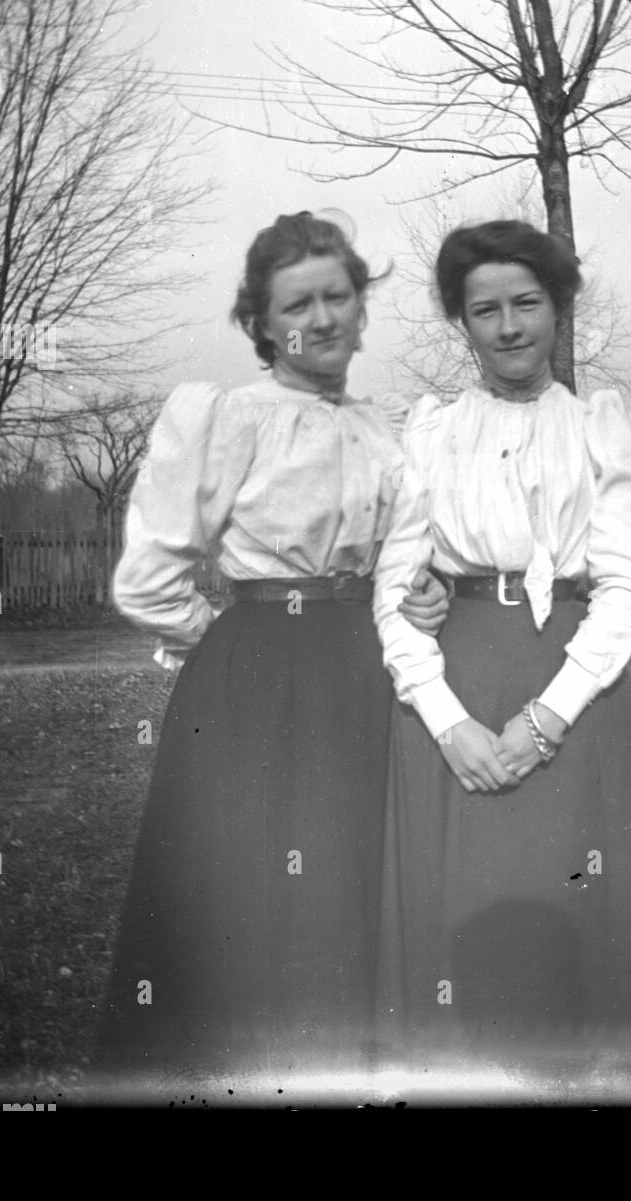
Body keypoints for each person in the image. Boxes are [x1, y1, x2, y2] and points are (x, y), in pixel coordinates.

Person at [92, 211, 446, 1096]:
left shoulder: (385, 431)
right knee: (252, 902)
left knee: (350, 897)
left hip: (362, 678)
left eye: (338, 296)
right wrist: (224, 641)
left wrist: (418, 594)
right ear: (262, 321)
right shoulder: (227, 418)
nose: (322, 319)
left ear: (362, 308)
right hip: (251, 682)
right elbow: (147, 579)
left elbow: (402, 555)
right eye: (298, 304)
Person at [373, 220, 631, 1089]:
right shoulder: (432, 431)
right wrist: (446, 721)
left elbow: (628, 591)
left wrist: (548, 717)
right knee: (462, 928)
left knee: (579, 918)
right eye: (485, 310)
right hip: (453, 696)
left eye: (527, 303)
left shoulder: (600, 428)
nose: (509, 326)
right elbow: (394, 589)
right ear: (462, 323)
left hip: (576, 695)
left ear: (560, 311)